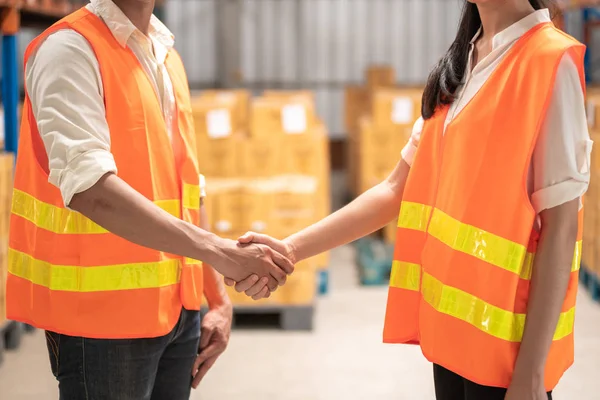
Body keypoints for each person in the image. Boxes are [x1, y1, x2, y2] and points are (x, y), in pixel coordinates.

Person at [228, 0, 590, 399]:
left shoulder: (549, 62)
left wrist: (532, 374)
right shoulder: (461, 65)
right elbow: (393, 191)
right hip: (452, 340)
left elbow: (561, 225)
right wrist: (290, 249)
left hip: (509, 354)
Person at [5, 0, 293, 398]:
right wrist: (219, 252)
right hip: (103, 324)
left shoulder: (165, 54)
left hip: (179, 312)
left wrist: (218, 298)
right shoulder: (69, 48)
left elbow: (188, 187)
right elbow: (91, 189)